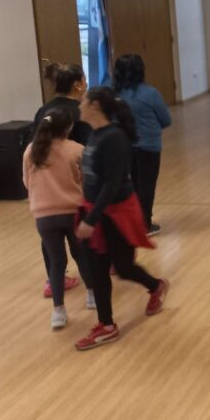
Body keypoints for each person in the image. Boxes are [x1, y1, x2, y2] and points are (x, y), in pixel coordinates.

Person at [74, 87, 169, 350]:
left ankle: (156, 286)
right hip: (96, 210)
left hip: (115, 213)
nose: (79, 105)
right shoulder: (95, 134)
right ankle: (106, 325)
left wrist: (91, 219)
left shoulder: (114, 138)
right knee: (97, 270)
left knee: (124, 268)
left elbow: (113, 183)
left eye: (83, 101)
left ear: (94, 105)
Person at [22, 106, 94, 330]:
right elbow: (87, 181)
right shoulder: (77, 149)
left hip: (44, 216)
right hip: (73, 212)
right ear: (68, 128)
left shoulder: (31, 151)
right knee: (81, 254)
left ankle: (58, 312)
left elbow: (27, 182)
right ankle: (92, 295)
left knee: (57, 262)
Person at [32, 62, 93, 298]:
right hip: (73, 189)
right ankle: (93, 283)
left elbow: (34, 149)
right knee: (80, 239)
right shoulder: (80, 111)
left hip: (45, 192)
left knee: (50, 240)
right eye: (84, 79)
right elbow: (89, 151)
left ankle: (53, 279)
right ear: (78, 84)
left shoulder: (43, 111)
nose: (86, 83)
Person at [113, 54, 172, 237]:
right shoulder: (151, 93)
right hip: (149, 147)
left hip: (124, 146)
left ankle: (130, 221)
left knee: (131, 184)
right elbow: (166, 120)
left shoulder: (114, 96)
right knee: (147, 185)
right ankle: (144, 224)